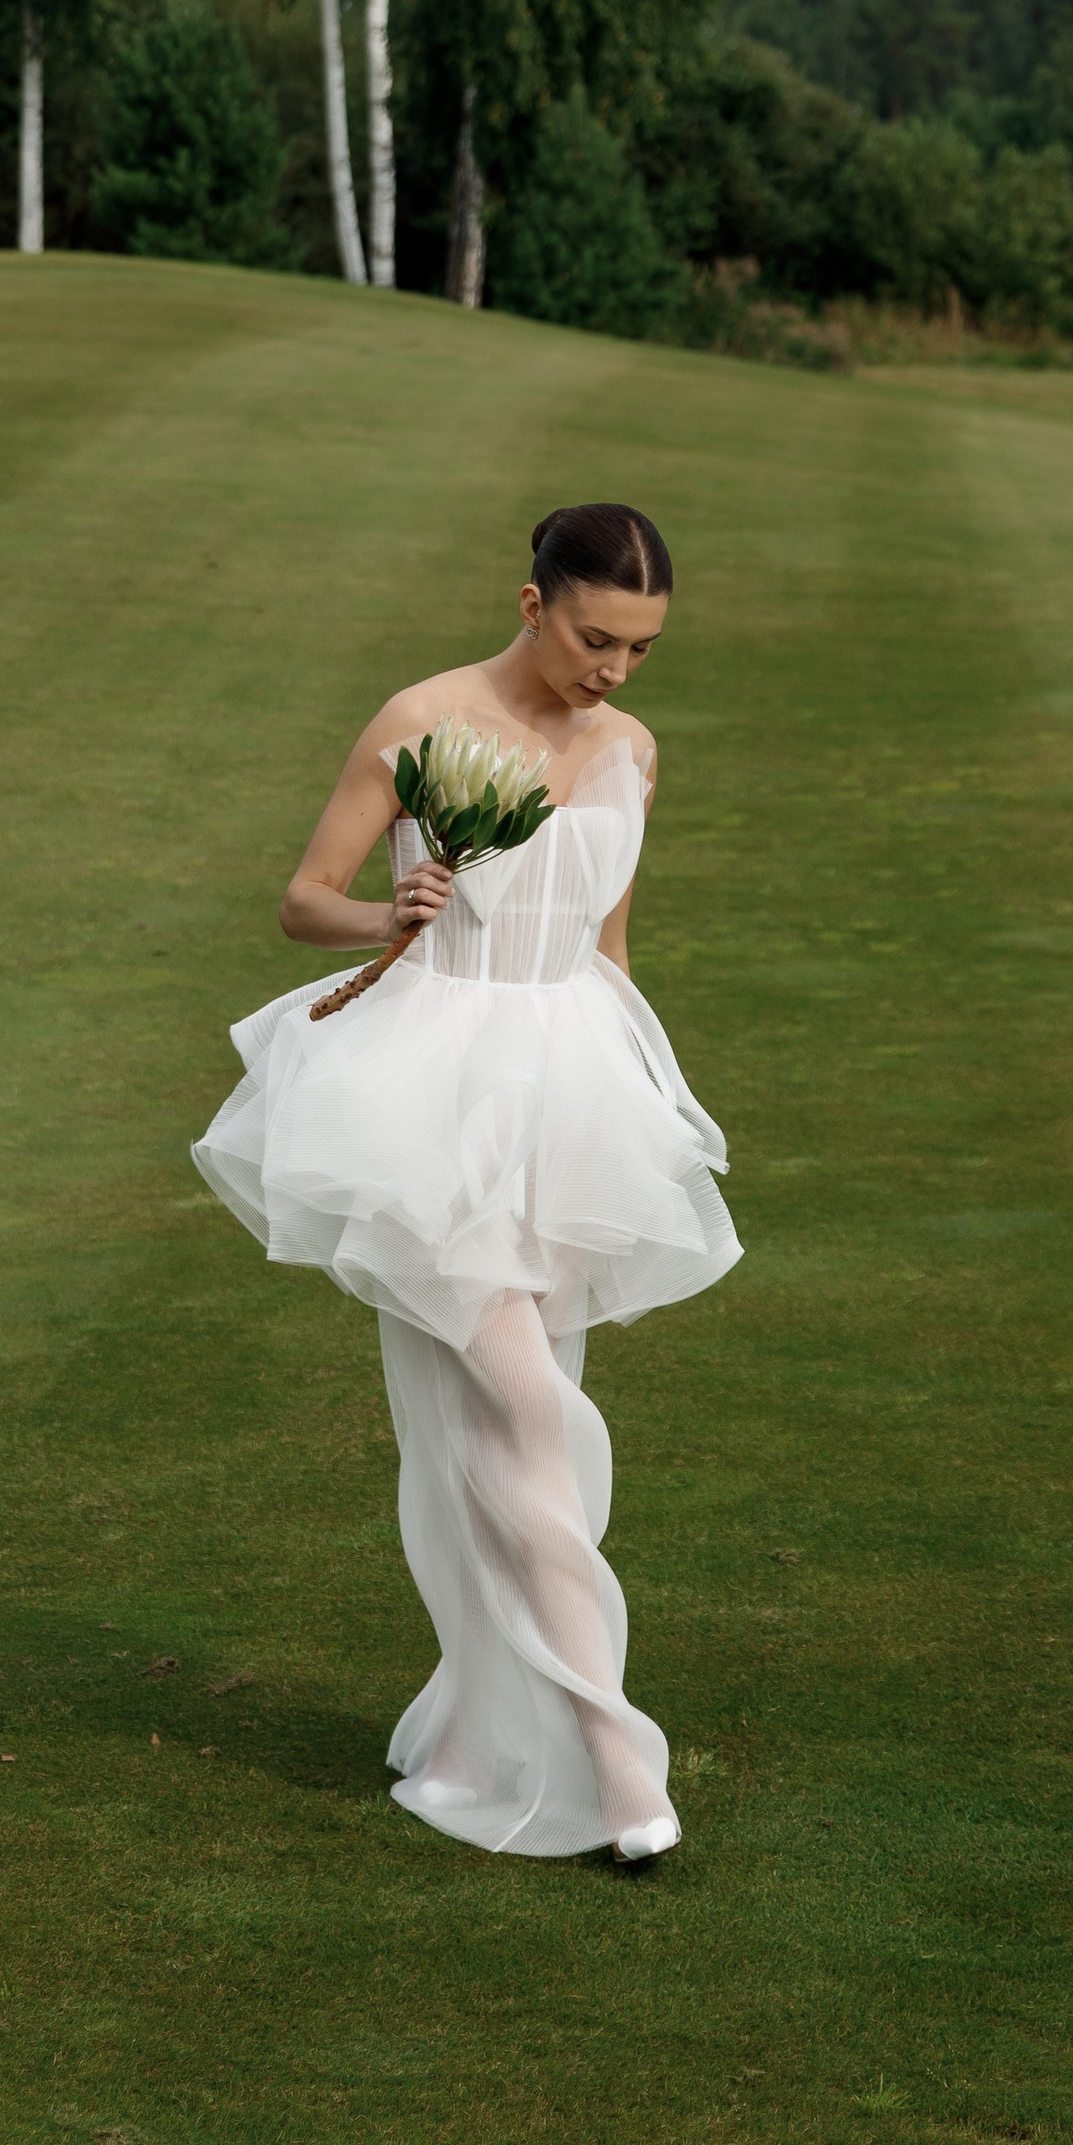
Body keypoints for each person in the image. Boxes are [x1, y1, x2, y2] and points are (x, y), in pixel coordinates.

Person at [192, 502, 739, 1864]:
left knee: (506, 1429)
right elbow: (304, 898)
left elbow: (608, 943)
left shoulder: (631, 751)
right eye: (596, 637)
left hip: (568, 1088)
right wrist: (391, 913)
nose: (614, 669)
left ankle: (471, 1729)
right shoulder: (420, 719)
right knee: (521, 1408)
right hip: (428, 1090)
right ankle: (619, 1757)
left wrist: (645, 1101)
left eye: (642, 649)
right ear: (531, 600)